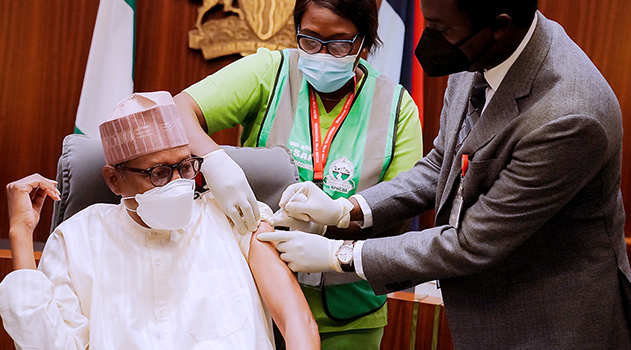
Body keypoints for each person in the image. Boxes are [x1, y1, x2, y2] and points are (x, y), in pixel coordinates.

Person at [257, 0, 631, 349]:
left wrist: (339, 254)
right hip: (483, 308)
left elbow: (472, 242)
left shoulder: (571, 116)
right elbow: (441, 164)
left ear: (498, 26)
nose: (430, 39)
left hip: (550, 322)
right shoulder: (478, 55)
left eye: (439, 27)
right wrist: (348, 209)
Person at [173, 0, 423, 347]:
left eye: (338, 43)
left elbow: (400, 211)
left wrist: (330, 224)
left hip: (351, 316)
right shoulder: (270, 72)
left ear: (364, 43)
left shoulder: (397, 108)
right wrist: (214, 161)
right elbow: (177, 111)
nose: (321, 53)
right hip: (253, 300)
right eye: (310, 39)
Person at [0, 91, 319, 350]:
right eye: (159, 173)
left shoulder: (233, 217)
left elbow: (297, 321)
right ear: (114, 180)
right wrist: (20, 234)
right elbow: (48, 344)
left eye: (185, 167)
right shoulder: (78, 239)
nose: (178, 183)